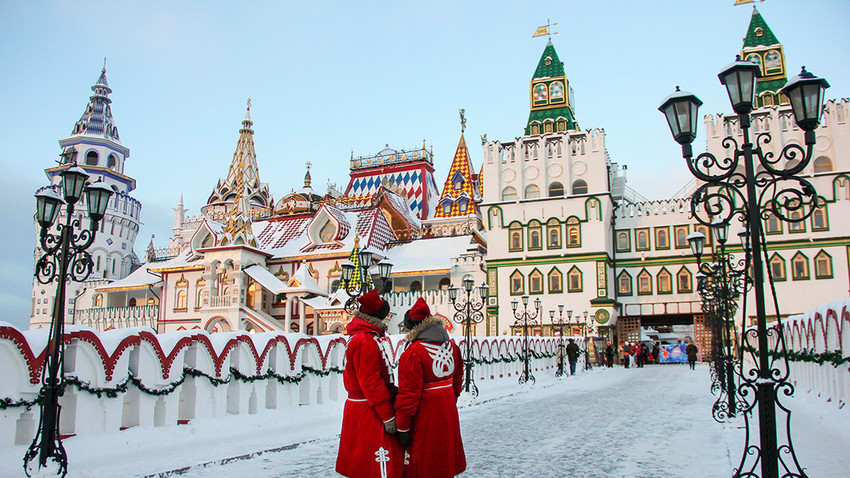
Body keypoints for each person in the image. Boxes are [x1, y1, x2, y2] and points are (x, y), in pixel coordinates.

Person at [395, 297, 466, 478]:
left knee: (426, 461)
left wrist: (403, 427)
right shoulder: (452, 347)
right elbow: (457, 381)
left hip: (424, 416)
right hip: (447, 410)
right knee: (444, 456)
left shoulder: (413, 353)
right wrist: (448, 400)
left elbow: (408, 395)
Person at [336, 289, 404, 478]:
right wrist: (387, 415)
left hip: (364, 408)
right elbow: (371, 383)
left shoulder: (364, 337)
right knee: (373, 466)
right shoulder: (366, 341)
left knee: (362, 464)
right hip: (369, 410)